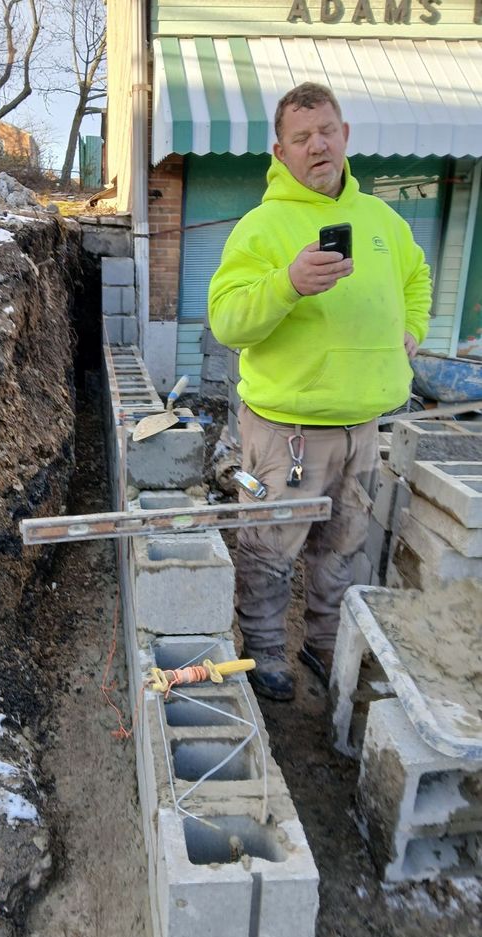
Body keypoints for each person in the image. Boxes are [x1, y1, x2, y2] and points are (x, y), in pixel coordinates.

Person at [207, 82, 431, 701]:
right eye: (301, 138)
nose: (317, 145)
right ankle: (266, 647)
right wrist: (288, 284)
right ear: (280, 152)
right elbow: (227, 320)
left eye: (326, 131)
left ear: (345, 136)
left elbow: (417, 275)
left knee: (344, 543)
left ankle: (325, 639)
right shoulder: (261, 228)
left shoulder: (382, 221)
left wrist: (413, 328)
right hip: (286, 432)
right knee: (271, 542)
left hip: (363, 428)